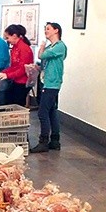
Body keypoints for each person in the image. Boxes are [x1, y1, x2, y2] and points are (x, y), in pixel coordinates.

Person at [30, 22, 67, 153]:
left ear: (56, 30)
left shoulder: (59, 46)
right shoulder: (52, 47)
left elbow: (41, 55)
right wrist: (37, 68)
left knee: (42, 112)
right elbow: (46, 63)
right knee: (51, 111)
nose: (46, 31)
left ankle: (43, 141)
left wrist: (41, 46)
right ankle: (55, 140)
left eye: (48, 29)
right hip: (47, 82)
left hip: (52, 84)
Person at [0, 24, 34, 107]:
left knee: (17, 105)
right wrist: (2, 73)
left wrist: (7, 75)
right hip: (16, 80)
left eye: (8, 38)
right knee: (8, 101)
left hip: (23, 82)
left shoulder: (24, 49)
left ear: (14, 36)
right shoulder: (14, 48)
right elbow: (13, 66)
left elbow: (22, 69)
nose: (7, 41)